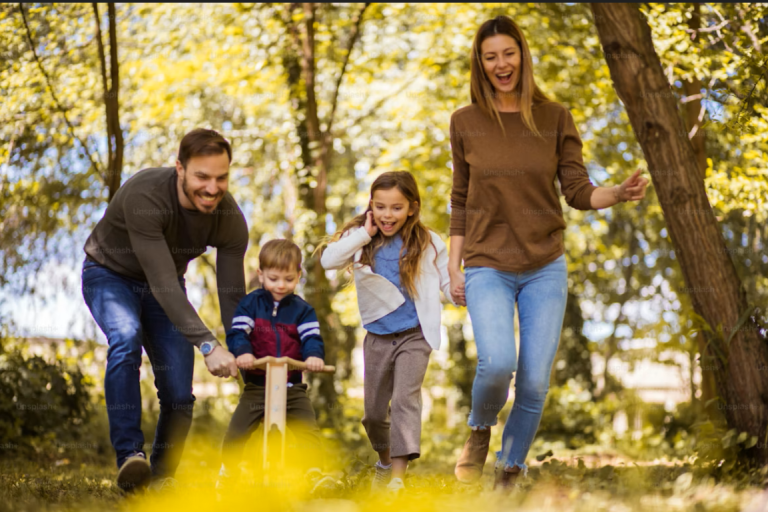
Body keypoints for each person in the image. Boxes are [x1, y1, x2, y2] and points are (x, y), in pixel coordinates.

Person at [448, 16, 649, 491]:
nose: (501, 64)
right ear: (480, 63)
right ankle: (480, 427)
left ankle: (509, 471)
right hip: (486, 263)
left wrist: (616, 193)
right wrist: (453, 266)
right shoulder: (465, 122)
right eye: (491, 56)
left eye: (508, 53)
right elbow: (460, 198)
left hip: (544, 267)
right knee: (497, 362)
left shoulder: (555, 117)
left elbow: (577, 190)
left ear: (523, 55)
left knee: (535, 381)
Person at [81, 128, 248, 492]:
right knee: (126, 338)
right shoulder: (146, 195)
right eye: (202, 177)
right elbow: (162, 283)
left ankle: (161, 478)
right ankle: (130, 457)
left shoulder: (229, 218)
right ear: (180, 169)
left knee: (178, 392)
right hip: (110, 275)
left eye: (221, 178)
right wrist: (208, 344)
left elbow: (232, 297)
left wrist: (245, 352)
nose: (212, 188)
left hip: (166, 287)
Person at [320, 171, 456, 494]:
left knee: (406, 401)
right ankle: (384, 463)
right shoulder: (360, 237)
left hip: (415, 335)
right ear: (371, 205)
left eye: (396, 208)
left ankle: (397, 480)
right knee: (374, 414)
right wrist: (363, 234)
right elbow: (328, 260)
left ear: (412, 208)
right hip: (378, 337)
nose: (387, 215)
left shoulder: (427, 241)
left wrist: (465, 295)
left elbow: (448, 283)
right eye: (380, 206)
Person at [218, 239, 328, 487]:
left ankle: (313, 474)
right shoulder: (251, 304)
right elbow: (238, 333)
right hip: (258, 385)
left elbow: (311, 337)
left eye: (288, 279)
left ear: (298, 276)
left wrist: (313, 356)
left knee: (307, 429)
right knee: (237, 430)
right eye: (274, 278)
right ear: (261, 275)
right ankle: (228, 473)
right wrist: (243, 353)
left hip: (292, 386)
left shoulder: (303, 310)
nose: (281, 285)